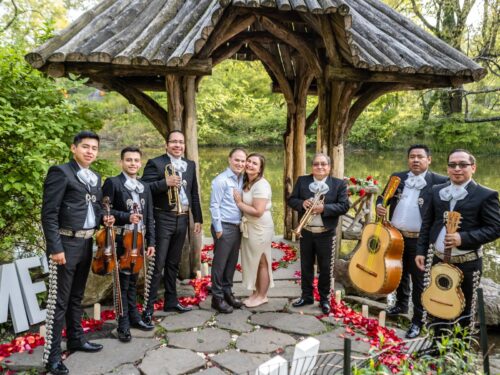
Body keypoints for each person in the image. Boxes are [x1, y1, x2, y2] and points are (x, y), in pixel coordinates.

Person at [42, 131, 114, 375]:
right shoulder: (60, 172)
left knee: (77, 297)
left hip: (86, 244)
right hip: (65, 243)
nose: (90, 151)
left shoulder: (94, 177)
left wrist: (106, 217)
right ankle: (52, 357)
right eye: (85, 146)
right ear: (74, 148)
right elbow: (49, 213)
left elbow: (92, 208)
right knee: (58, 302)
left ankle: (75, 339)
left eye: (94, 147)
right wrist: (55, 248)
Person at [416, 149, 500, 326]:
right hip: (437, 259)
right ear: (447, 169)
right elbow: (427, 223)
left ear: (473, 168)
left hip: (467, 264)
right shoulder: (437, 190)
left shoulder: (486, 195)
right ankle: (436, 347)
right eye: (452, 165)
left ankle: (458, 352)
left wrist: (464, 238)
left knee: (464, 310)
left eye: (463, 164)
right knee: (436, 304)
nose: (457, 169)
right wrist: (421, 251)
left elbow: (495, 228)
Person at [376, 144, 447, 339]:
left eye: (420, 157)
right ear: (408, 159)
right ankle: (400, 305)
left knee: (419, 280)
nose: (415, 160)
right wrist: (380, 206)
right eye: (412, 156)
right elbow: (382, 198)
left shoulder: (440, 181)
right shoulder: (397, 178)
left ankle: (418, 320)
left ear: (429, 160)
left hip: (421, 241)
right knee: (398, 272)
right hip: (396, 236)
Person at [141, 130, 202, 321]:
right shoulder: (156, 163)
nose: (178, 145)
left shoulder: (189, 165)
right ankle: (148, 307)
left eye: (181, 142)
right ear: (166, 145)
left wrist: (198, 218)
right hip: (162, 218)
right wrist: (163, 183)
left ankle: (171, 300)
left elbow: (193, 193)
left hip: (182, 217)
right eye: (174, 142)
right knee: (157, 264)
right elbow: (143, 188)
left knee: (173, 263)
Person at [102, 147, 156, 342]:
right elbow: (105, 211)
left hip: (140, 240)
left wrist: (152, 241)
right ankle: (123, 324)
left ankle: (134, 318)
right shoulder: (113, 183)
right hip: (122, 239)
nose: (132, 163)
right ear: (121, 162)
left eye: (136, 160)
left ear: (140, 163)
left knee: (133, 281)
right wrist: (127, 216)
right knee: (123, 283)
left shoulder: (145, 186)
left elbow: (149, 216)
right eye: (128, 160)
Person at [288, 153, 349, 314]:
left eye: (323, 164)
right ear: (312, 167)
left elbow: (344, 206)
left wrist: (324, 208)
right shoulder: (303, 180)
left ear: (329, 167)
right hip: (306, 232)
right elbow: (291, 200)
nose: (320, 167)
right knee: (305, 266)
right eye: (316, 164)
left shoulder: (338, 184)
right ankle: (306, 296)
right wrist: (302, 203)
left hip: (326, 233)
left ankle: (324, 299)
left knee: (325, 268)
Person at [233, 153, 274, 307]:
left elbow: (258, 211)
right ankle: (256, 293)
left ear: (260, 168)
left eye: (254, 163)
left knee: (262, 261)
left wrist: (239, 203)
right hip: (250, 225)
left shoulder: (261, 185)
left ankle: (262, 296)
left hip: (260, 227)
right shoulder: (246, 182)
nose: (249, 165)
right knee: (254, 261)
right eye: (248, 161)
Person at [209, 148, 247, 313]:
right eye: (236, 160)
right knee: (220, 264)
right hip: (223, 226)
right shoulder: (221, 180)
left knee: (231, 262)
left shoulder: (241, 179)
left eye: (242, 161)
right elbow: (214, 205)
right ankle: (216, 298)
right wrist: (218, 229)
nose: (240, 163)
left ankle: (227, 292)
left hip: (236, 226)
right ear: (229, 160)